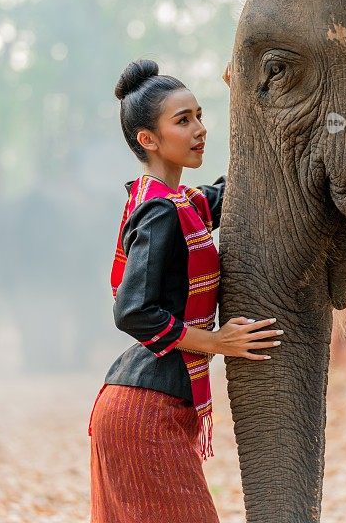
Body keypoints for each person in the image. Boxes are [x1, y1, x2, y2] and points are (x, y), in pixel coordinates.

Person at [89, 58, 283, 523]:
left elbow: (236, 191)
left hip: (148, 407)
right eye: (183, 120)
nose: (199, 129)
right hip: (142, 416)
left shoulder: (183, 205)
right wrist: (216, 342)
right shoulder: (159, 213)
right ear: (148, 140)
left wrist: (251, 103)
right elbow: (133, 310)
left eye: (199, 115)